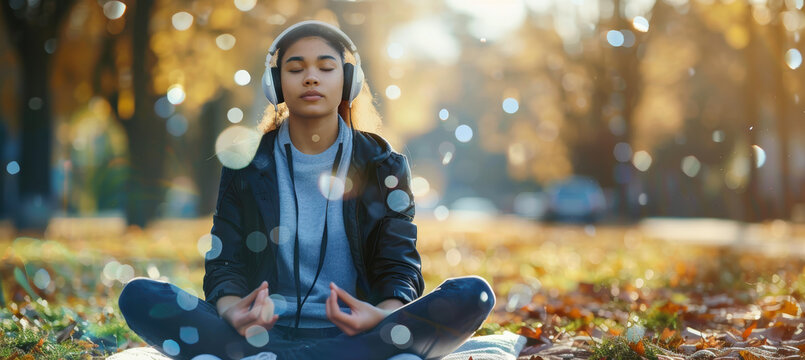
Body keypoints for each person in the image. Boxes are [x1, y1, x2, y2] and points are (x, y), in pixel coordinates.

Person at [118, 20, 495, 360]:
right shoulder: (246, 165)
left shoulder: (385, 165)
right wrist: (235, 311)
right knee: (139, 296)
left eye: (326, 68)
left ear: (349, 81)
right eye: (295, 69)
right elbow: (225, 261)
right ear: (275, 83)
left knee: (473, 294)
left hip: (359, 332)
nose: (311, 78)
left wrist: (382, 314)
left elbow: (399, 262)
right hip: (259, 336)